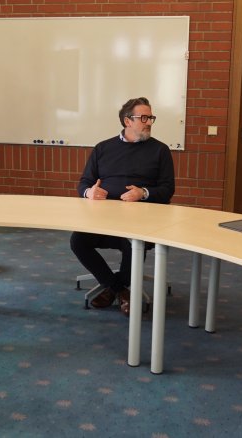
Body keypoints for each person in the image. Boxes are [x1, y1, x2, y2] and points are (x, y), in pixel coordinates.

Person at [70, 97, 175, 316]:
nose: (149, 122)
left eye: (151, 118)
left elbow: (167, 189)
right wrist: (90, 192)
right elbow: (83, 183)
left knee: (132, 244)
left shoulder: (160, 150)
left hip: (142, 221)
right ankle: (119, 289)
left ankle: (113, 289)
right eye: (143, 118)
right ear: (127, 121)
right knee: (78, 241)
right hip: (104, 219)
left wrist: (143, 193)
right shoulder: (103, 148)